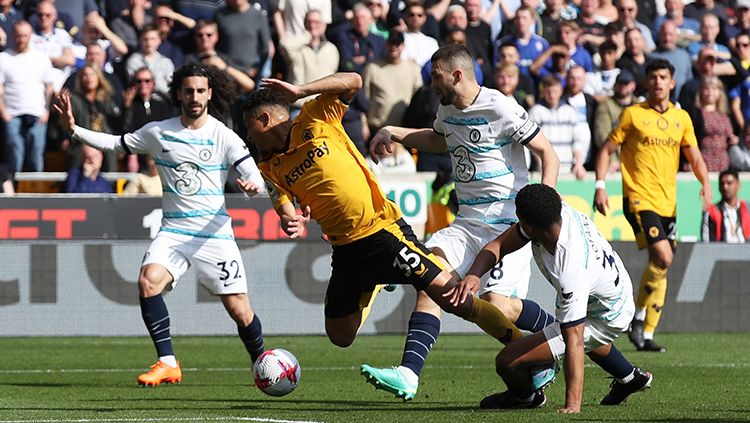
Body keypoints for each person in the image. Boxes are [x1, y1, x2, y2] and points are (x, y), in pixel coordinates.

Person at [241, 69, 529, 390]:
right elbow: (280, 199)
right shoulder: (268, 164)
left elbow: (353, 81)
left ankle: (527, 349)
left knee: (453, 299)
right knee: (340, 335)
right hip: (345, 250)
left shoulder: (315, 117)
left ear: (265, 119)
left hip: (384, 232)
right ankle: (378, 282)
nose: (248, 138)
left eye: (250, 128)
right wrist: (288, 217)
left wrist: (300, 90)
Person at [359, 43, 560, 400]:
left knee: (499, 307)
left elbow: (547, 152)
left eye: (435, 76)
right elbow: (440, 140)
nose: (430, 83)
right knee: (430, 274)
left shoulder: (499, 106)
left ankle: (556, 335)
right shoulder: (446, 108)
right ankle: (408, 373)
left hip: (505, 224)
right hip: (466, 222)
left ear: (456, 74)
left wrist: (542, 213)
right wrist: (395, 131)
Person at [54, 63, 267, 386]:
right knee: (148, 280)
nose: (194, 97)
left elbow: (255, 177)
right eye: (188, 91)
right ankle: (168, 362)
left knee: (240, 311)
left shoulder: (224, 136)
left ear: (209, 94)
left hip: (214, 234)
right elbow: (115, 144)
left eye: (200, 91)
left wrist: (253, 187)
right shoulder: (158, 131)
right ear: (178, 94)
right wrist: (73, 129)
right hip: (174, 231)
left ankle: (262, 363)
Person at [455, 184, 653, 412]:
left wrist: (572, 405)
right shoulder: (554, 217)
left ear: (526, 222)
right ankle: (629, 378)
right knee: (575, 330)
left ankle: (525, 398)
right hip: (612, 291)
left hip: (608, 315)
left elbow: (575, 340)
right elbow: (499, 245)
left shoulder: (570, 266)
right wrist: (474, 274)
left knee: (507, 361)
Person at [594, 59, 713, 352]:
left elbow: (695, 155)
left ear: (672, 82)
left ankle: (646, 332)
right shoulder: (632, 115)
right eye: (653, 77)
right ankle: (635, 318)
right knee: (663, 257)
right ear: (647, 83)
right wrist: (600, 185)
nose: (658, 82)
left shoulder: (682, 118)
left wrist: (706, 184)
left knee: (661, 265)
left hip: (668, 201)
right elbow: (607, 149)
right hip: (638, 198)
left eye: (663, 77)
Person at [0, 20, 54, 173]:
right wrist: (3, 111)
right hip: (12, 114)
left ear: (30, 36)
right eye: (18, 36)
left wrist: (46, 110)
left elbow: (49, 87)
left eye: (24, 36)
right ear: (13, 35)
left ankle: (37, 191)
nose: (21, 39)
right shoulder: (3, 58)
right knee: (14, 153)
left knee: (36, 154)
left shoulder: (41, 58)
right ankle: (13, 191)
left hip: (37, 113)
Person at [702, 170, 750, 243]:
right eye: (722, 184)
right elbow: (707, 242)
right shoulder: (711, 211)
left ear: (738, 185)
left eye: (729, 183)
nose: (725, 187)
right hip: (721, 252)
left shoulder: (747, 208)